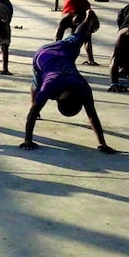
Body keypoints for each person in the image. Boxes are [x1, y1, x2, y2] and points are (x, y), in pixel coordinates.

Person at [20, 9, 116, 154]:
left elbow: (92, 115)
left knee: (78, 38)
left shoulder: (82, 87)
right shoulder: (54, 86)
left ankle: (87, 17)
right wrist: (27, 140)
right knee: (37, 84)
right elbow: (92, 115)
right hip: (43, 55)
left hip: (60, 51)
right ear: (57, 98)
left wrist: (103, 143)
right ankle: (87, 19)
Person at [107, 3, 129, 92]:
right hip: (125, 31)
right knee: (118, 55)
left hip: (124, 29)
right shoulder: (124, 35)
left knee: (118, 56)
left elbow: (120, 16)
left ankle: (124, 69)